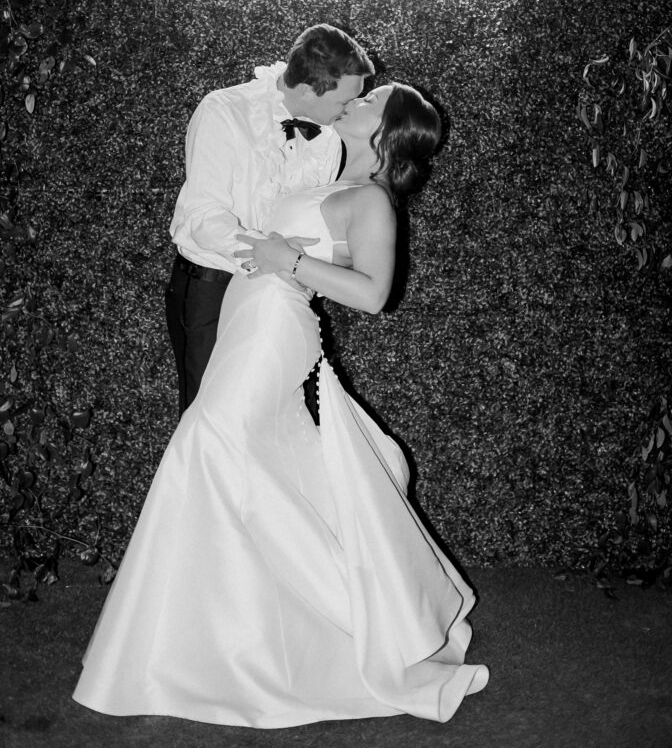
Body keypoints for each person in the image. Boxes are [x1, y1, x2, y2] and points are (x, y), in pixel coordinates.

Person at [73, 82, 489, 727]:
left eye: (370, 102)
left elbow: (374, 296)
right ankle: (228, 637)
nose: (355, 102)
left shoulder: (372, 199)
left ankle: (209, 644)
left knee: (206, 444)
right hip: (247, 318)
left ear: (388, 133)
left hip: (276, 329)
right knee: (239, 467)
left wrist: (287, 257)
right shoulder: (320, 173)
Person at [165, 23, 374, 415]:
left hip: (275, 297)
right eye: (344, 101)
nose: (349, 111)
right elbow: (202, 216)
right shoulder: (223, 111)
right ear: (309, 90)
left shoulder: (328, 139)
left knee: (268, 417)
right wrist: (267, 252)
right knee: (211, 421)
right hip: (211, 290)